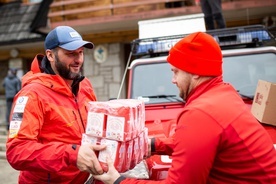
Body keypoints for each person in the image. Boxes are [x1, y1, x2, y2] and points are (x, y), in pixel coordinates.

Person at [93, 32, 276, 183]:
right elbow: (202, 143)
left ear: (196, 72)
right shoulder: (224, 94)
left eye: (176, 72)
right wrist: (154, 144)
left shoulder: (201, 113)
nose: (173, 80)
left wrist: (118, 180)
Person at [6, 26, 106, 183]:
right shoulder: (32, 95)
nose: (78, 60)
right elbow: (17, 151)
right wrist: (72, 155)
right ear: (50, 55)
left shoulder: (84, 85)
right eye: (71, 53)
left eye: (80, 52)